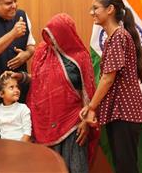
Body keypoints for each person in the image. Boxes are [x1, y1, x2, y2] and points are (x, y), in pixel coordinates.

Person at [80, 0, 142, 173]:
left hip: (124, 112)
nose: (91, 12)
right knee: (122, 166)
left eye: (95, 8)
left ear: (110, 9)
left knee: (126, 167)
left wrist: (92, 107)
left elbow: (108, 77)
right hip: (119, 112)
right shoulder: (115, 37)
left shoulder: (119, 36)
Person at [27, 13, 99, 172]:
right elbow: (38, 84)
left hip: (73, 124)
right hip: (45, 123)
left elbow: (89, 92)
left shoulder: (80, 56)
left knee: (75, 168)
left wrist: (86, 121)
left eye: (54, 35)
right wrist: (23, 77)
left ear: (65, 34)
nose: (50, 39)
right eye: (48, 34)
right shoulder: (42, 52)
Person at [0, 71, 31, 142]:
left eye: (17, 87)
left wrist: (19, 148)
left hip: (22, 147)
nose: (16, 90)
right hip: (4, 148)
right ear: (1, 94)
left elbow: (27, 132)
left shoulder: (23, 108)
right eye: (11, 87)